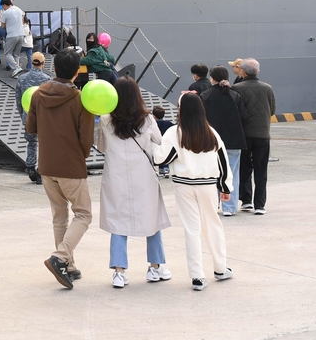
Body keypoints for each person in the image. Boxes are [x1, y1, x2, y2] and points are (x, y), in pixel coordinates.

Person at [27, 48, 95, 289]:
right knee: (84, 214)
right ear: (78, 72)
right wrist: (80, 156)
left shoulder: (37, 95)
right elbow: (86, 138)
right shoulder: (80, 99)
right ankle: (61, 256)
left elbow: (31, 128)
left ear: (53, 69)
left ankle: (69, 265)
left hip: (46, 165)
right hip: (71, 165)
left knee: (59, 216)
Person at [96, 78, 172, 288]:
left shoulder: (106, 119)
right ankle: (155, 267)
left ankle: (119, 272)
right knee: (152, 219)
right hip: (144, 176)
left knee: (118, 222)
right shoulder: (147, 119)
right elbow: (159, 143)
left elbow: (101, 147)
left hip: (116, 176)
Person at [156, 93, 233, 291]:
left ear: (180, 110)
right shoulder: (211, 132)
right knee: (212, 225)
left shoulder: (174, 133)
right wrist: (225, 187)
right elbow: (223, 161)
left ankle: (197, 277)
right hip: (208, 185)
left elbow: (161, 159)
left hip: (183, 186)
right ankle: (220, 268)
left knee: (192, 230)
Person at [200, 66, 247, 217]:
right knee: (232, 173)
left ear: (212, 78)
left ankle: (213, 205)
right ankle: (229, 208)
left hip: (211, 141)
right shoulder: (235, 95)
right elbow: (243, 116)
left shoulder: (205, 95)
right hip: (234, 140)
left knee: (213, 174)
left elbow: (201, 119)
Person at [232, 58, 275, 215]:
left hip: (243, 135)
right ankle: (260, 205)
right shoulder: (268, 88)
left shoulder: (236, 88)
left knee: (244, 168)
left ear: (242, 72)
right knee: (261, 170)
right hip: (263, 134)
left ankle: (246, 200)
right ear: (258, 72)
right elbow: (272, 110)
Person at [17, 53, 52, 184]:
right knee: (44, 144)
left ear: (31, 62)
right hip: (44, 117)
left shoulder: (22, 79)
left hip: (28, 115)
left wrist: (22, 115)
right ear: (43, 63)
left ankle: (31, 167)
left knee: (31, 142)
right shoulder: (47, 79)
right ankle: (41, 171)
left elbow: (19, 100)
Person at [0, 0, 24, 70]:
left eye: (2, 6)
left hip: (12, 35)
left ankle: (17, 68)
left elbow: (3, 26)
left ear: (4, 5)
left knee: (7, 53)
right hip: (21, 34)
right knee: (16, 55)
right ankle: (16, 73)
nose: (2, 8)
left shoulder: (6, 13)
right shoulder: (19, 10)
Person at [152, 105, 173, 178]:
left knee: (157, 155)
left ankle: (160, 170)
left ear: (154, 115)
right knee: (165, 155)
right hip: (165, 142)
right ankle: (166, 169)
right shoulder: (168, 123)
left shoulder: (153, 124)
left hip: (155, 142)